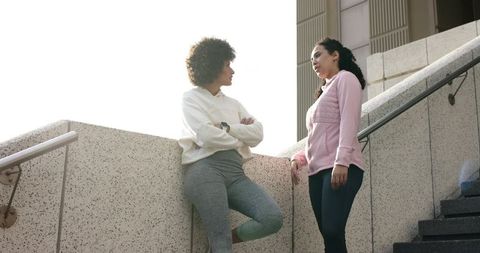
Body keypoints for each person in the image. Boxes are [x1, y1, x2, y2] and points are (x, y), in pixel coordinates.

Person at [179, 37, 283, 253]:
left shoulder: (233, 104)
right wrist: (240, 138)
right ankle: (221, 243)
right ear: (212, 64)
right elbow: (206, 135)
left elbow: (258, 133)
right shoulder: (191, 99)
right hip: (205, 171)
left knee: (272, 217)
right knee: (220, 242)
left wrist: (226, 128)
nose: (232, 70)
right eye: (227, 64)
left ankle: (224, 241)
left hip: (236, 174)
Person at [290, 37, 366, 253]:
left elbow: (349, 122)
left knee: (332, 229)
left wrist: (341, 161)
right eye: (311, 59)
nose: (313, 62)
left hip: (341, 167)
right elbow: (316, 136)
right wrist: (299, 158)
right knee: (330, 235)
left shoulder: (346, 79)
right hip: (317, 173)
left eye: (317, 55)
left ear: (335, 55)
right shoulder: (323, 93)